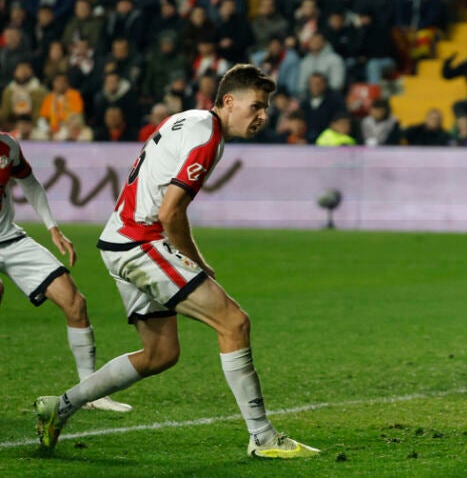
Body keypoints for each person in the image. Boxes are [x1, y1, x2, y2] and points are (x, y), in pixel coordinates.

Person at [34, 64, 320, 459]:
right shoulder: (207, 137)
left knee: (160, 354)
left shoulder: (189, 119)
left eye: (266, 108)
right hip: (141, 242)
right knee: (234, 322)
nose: (263, 116)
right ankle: (262, 437)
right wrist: (195, 260)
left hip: (119, 240)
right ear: (229, 101)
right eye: (256, 106)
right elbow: (170, 212)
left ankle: (60, 406)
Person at [0, 134, 131, 413]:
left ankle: (90, 392)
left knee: (75, 302)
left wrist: (52, 227)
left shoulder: (7, 146)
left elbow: (29, 182)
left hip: (10, 239)